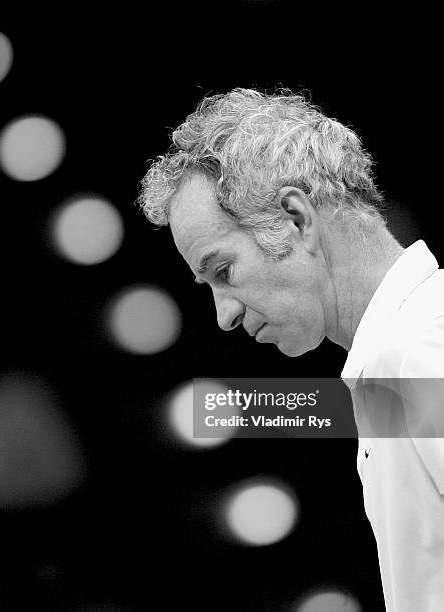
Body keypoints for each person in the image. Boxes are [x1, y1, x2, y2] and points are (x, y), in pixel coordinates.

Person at [137, 88, 444, 611]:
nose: (224, 316)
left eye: (223, 272)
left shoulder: (417, 347)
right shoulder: (404, 351)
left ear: (297, 218)